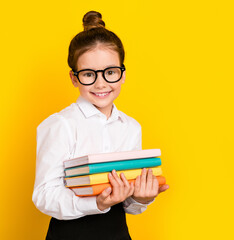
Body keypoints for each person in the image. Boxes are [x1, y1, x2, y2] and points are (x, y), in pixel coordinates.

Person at [32, 10, 169, 240]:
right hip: (69, 235)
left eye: (110, 72)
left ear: (123, 74)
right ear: (74, 78)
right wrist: (94, 202)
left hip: (116, 233)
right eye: (88, 74)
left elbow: (127, 202)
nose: (101, 83)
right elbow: (44, 195)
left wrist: (141, 199)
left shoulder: (131, 127)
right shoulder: (60, 125)